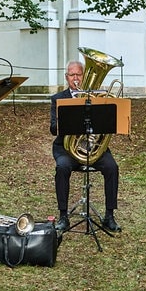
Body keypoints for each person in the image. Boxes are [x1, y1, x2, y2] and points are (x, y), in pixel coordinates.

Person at [49, 61, 121, 232]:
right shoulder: (58, 98)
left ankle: (109, 216)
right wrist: (64, 121)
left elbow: (108, 125)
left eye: (79, 74)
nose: (75, 78)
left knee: (112, 167)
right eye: (72, 75)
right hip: (67, 149)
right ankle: (63, 216)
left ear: (84, 76)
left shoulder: (98, 98)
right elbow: (53, 129)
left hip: (93, 149)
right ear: (66, 77)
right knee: (62, 168)